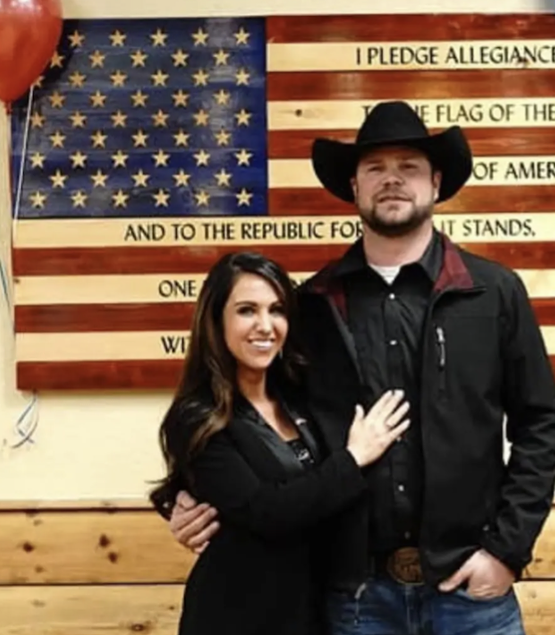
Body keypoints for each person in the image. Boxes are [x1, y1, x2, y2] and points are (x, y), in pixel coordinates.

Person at [163, 101, 555, 635]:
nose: (392, 180)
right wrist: (180, 496)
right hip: (357, 598)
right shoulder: (311, 305)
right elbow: (251, 420)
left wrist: (506, 550)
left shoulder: (493, 292)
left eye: (409, 167)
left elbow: (542, 425)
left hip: (472, 595)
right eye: (376, 168)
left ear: (436, 182)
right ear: (354, 187)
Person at [148, 251, 413, 635]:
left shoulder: (297, 398)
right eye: (246, 311)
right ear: (215, 319)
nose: (265, 325)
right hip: (237, 616)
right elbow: (268, 512)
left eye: (277, 310)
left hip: (311, 613)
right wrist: (354, 459)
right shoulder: (197, 418)